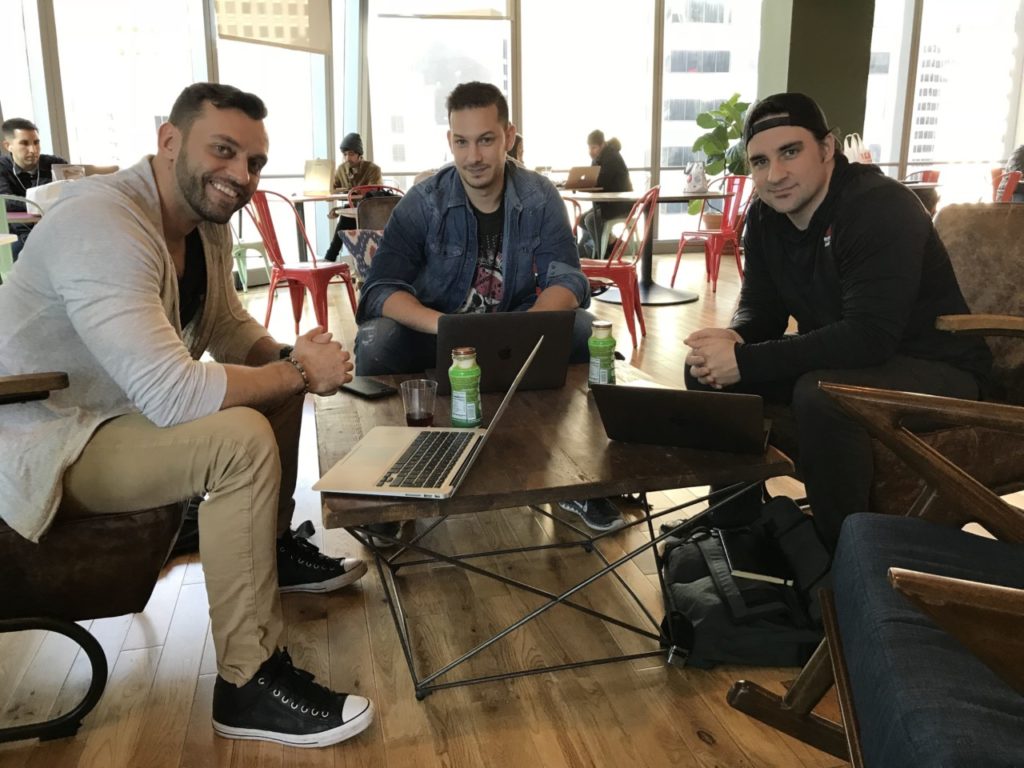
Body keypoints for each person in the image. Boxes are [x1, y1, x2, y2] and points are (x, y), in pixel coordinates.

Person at [0, 83, 375, 748]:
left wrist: (287, 360)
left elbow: (225, 325)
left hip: (114, 417)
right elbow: (173, 393)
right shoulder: (103, 223)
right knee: (239, 439)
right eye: (223, 151)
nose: (241, 175)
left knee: (270, 389)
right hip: (45, 438)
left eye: (254, 162)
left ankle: (271, 550)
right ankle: (247, 683)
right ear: (168, 142)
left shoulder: (205, 223)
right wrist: (297, 371)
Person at [678, 92, 992, 552]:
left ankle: (841, 555)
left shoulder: (880, 206)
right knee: (704, 370)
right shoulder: (765, 215)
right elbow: (762, 307)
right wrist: (732, 337)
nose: (775, 174)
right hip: (853, 357)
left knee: (822, 394)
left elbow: (869, 336)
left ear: (827, 148)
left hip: (939, 368)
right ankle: (735, 528)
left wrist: (746, 360)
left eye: (790, 152)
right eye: (760, 161)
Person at [354, 81, 622, 532]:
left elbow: (567, 278)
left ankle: (583, 481)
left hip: (515, 331)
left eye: (485, 140)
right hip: (436, 334)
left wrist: (527, 329)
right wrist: (448, 327)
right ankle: (389, 492)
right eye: (462, 142)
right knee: (376, 341)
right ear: (450, 140)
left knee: (581, 329)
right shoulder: (424, 202)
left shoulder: (539, 196)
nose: (473, 156)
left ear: (508, 137)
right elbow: (380, 289)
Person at [0, 118, 68, 260]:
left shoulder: (56, 164)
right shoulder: (2, 167)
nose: (33, 150)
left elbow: (73, 194)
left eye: (36, 142)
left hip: (56, 230)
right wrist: (44, 203)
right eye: (24, 143)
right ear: (8, 145)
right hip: (19, 235)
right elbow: (5, 202)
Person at [323, 132, 384, 262]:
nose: (347, 158)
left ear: (359, 154)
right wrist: (325, 184)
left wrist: (342, 207)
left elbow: (373, 194)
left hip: (372, 210)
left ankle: (330, 258)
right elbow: (333, 189)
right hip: (353, 209)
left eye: (351, 154)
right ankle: (331, 257)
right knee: (346, 216)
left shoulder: (373, 169)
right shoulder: (341, 169)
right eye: (345, 154)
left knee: (345, 218)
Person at [578, 129, 632, 259]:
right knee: (581, 220)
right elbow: (594, 179)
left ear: (602, 145)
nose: (591, 151)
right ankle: (611, 243)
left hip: (621, 204)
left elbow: (601, 182)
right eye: (589, 148)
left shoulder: (611, 157)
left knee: (590, 220)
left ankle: (601, 255)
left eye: (594, 148)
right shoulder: (599, 158)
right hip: (607, 204)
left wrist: (583, 184)